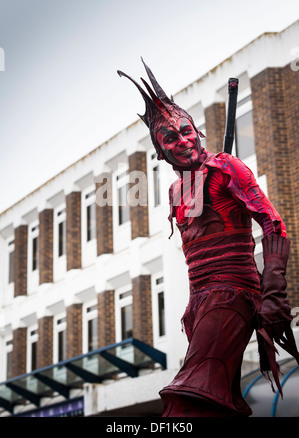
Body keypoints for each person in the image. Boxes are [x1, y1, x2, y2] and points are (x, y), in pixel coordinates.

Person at [117, 59, 299, 417]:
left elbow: (273, 224)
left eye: (186, 130)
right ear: (160, 149)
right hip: (199, 303)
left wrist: (274, 292)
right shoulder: (174, 191)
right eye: (170, 137)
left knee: (190, 398)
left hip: (232, 293)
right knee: (219, 401)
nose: (182, 140)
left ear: (197, 130)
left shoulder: (228, 166)